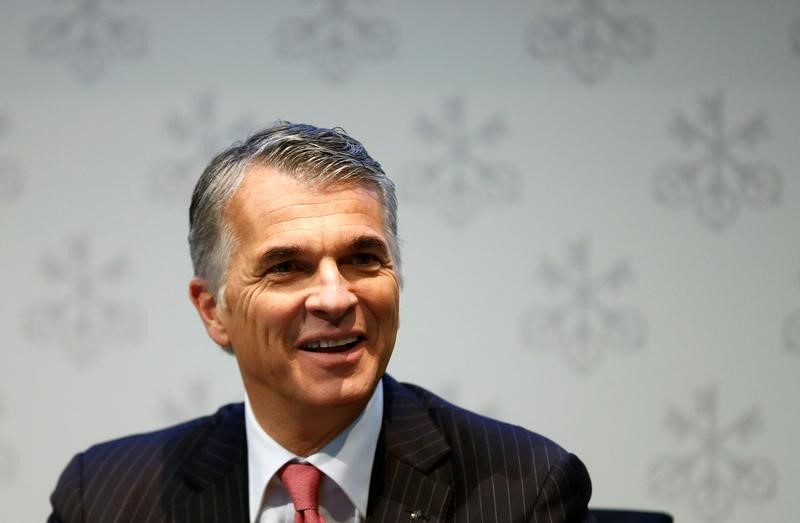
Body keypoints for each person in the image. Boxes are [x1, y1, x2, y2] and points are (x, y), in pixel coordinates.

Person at [48, 122, 594, 522]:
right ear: (214, 310)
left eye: (363, 259)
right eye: (287, 267)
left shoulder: (526, 486)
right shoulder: (102, 496)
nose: (335, 297)